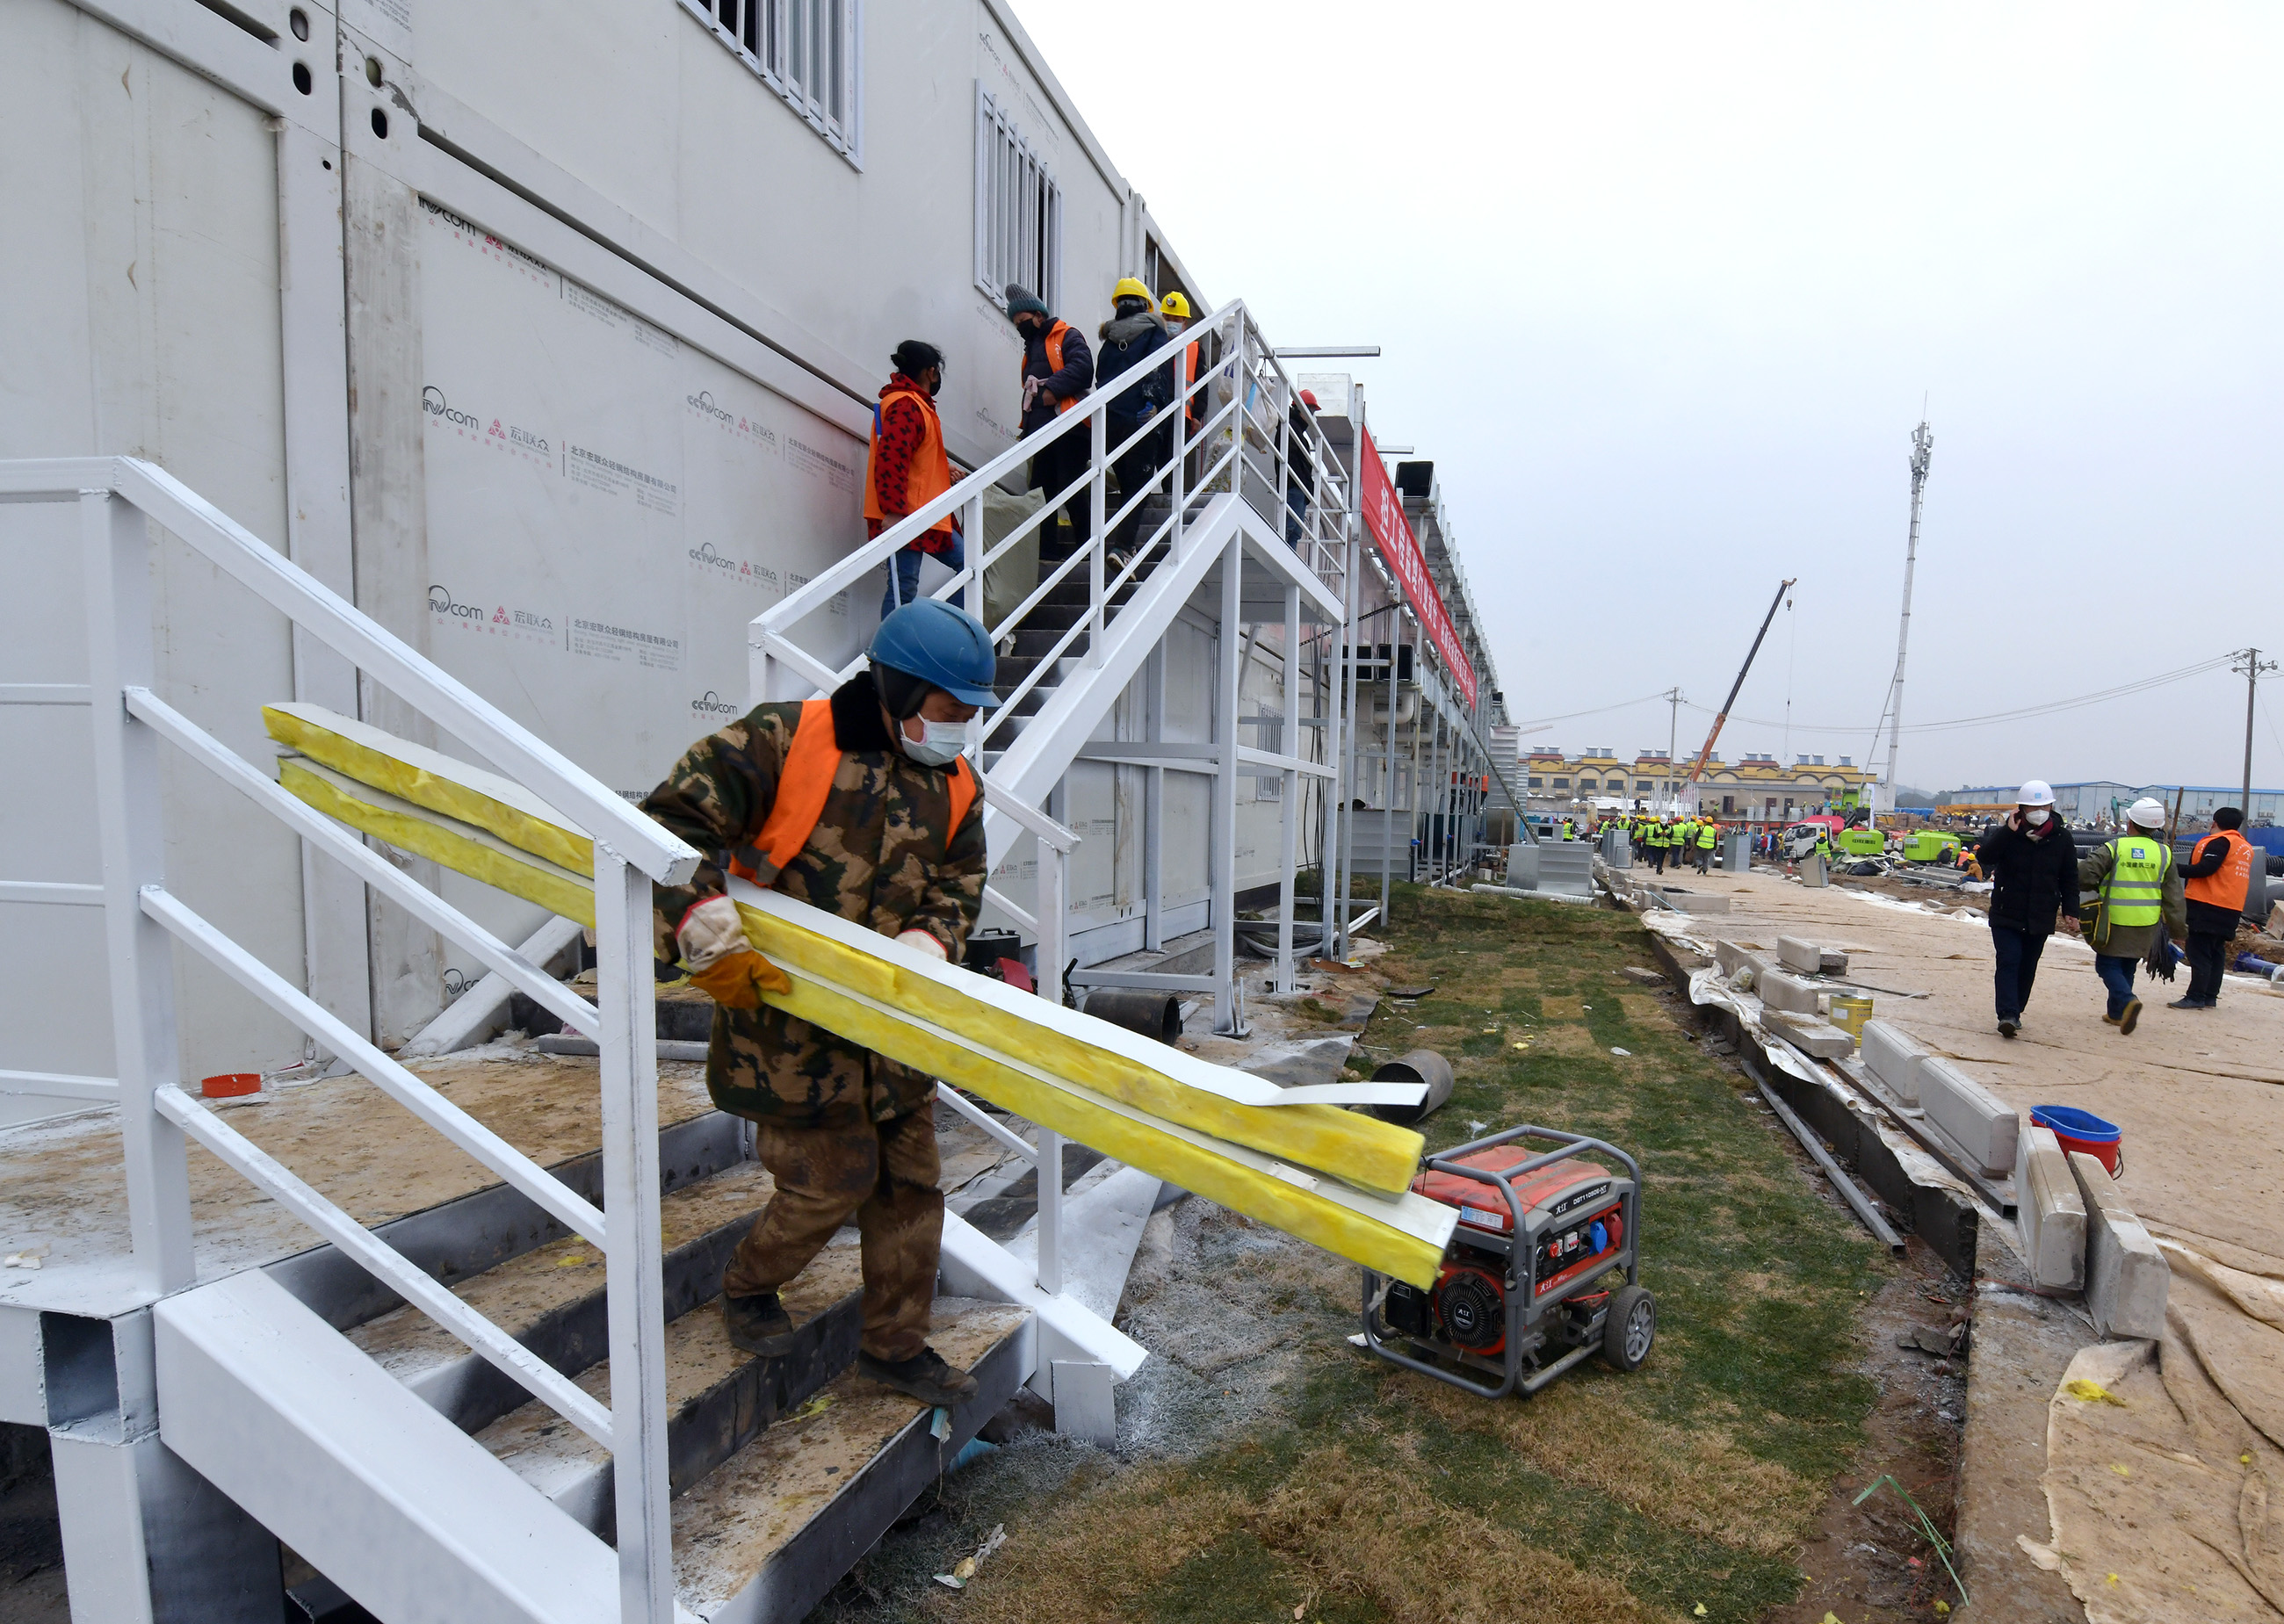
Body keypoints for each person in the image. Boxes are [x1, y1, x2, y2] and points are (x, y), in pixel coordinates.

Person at [640, 598, 997, 1408]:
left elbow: (959, 884)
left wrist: (931, 944)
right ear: (901, 692)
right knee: (829, 1182)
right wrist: (702, 926)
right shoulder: (784, 740)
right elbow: (668, 826)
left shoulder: (957, 783)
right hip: (787, 1027)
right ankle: (746, 1283)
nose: (961, 730)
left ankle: (893, 1348)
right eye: (949, 712)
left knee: (910, 1189)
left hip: (893, 1037)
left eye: (972, 715)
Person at [1973, 781, 2081, 1038]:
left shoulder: (2062, 838)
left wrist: (2071, 910)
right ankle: (2007, 1014)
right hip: (2006, 911)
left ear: (2051, 806)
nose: (2038, 810)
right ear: (2021, 808)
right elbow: (1985, 857)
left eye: (2043, 805)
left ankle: (2016, 1011)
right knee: (2009, 960)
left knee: (2028, 965)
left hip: (2040, 913)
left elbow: (2069, 877)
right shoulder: (2009, 835)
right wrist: (2006, 833)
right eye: (2032, 806)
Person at [2077, 797, 2187, 1036]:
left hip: (2114, 919)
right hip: (2146, 922)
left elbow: (2085, 874)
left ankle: (2127, 1000)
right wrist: (2179, 931)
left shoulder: (2115, 848)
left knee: (2106, 965)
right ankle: (2117, 1014)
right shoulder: (2164, 854)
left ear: (2131, 823)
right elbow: (2175, 898)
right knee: (2127, 964)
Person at [866, 342, 960, 619]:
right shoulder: (908, 404)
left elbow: (909, 457)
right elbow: (893, 460)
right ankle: (892, 656)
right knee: (903, 587)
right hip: (908, 513)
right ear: (931, 372)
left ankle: (928, 633)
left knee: (906, 586)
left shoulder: (909, 402)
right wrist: (894, 510)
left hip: (921, 512)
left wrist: (945, 470)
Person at [1006, 284, 1094, 563]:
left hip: (1070, 428)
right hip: (1042, 431)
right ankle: (1047, 550)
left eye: (1023, 322)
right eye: (1017, 324)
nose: (1021, 328)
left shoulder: (1067, 335)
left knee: (1071, 485)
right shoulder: (1031, 349)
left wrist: (1050, 390)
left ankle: (1088, 545)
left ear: (1039, 316)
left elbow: (1083, 369)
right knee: (1040, 490)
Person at [1095, 277, 1175, 564]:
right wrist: (1153, 401)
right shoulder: (1154, 332)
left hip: (1113, 421)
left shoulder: (1110, 341)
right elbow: (1158, 367)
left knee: (1128, 481)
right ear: (1146, 306)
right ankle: (1123, 546)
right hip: (1141, 419)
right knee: (1138, 484)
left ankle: (1123, 545)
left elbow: (1100, 379)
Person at [2175, 806, 2257, 1010]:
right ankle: (2210, 996)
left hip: (2207, 905)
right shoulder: (2244, 847)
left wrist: (2173, 868)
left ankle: (2195, 996)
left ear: (2214, 823)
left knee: (2199, 952)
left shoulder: (2220, 842)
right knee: (2216, 952)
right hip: (2231, 907)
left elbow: (2206, 869)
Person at [1284, 390, 1319, 549]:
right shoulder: (1290, 427)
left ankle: (1286, 559)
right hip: (1294, 487)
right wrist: (1303, 483)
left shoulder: (1293, 429)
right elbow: (1291, 458)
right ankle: (1284, 559)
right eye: (1311, 410)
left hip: (1297, 488)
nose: (1312, 415)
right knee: (1289, 529)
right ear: (1300, 409)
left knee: (1294, 532)